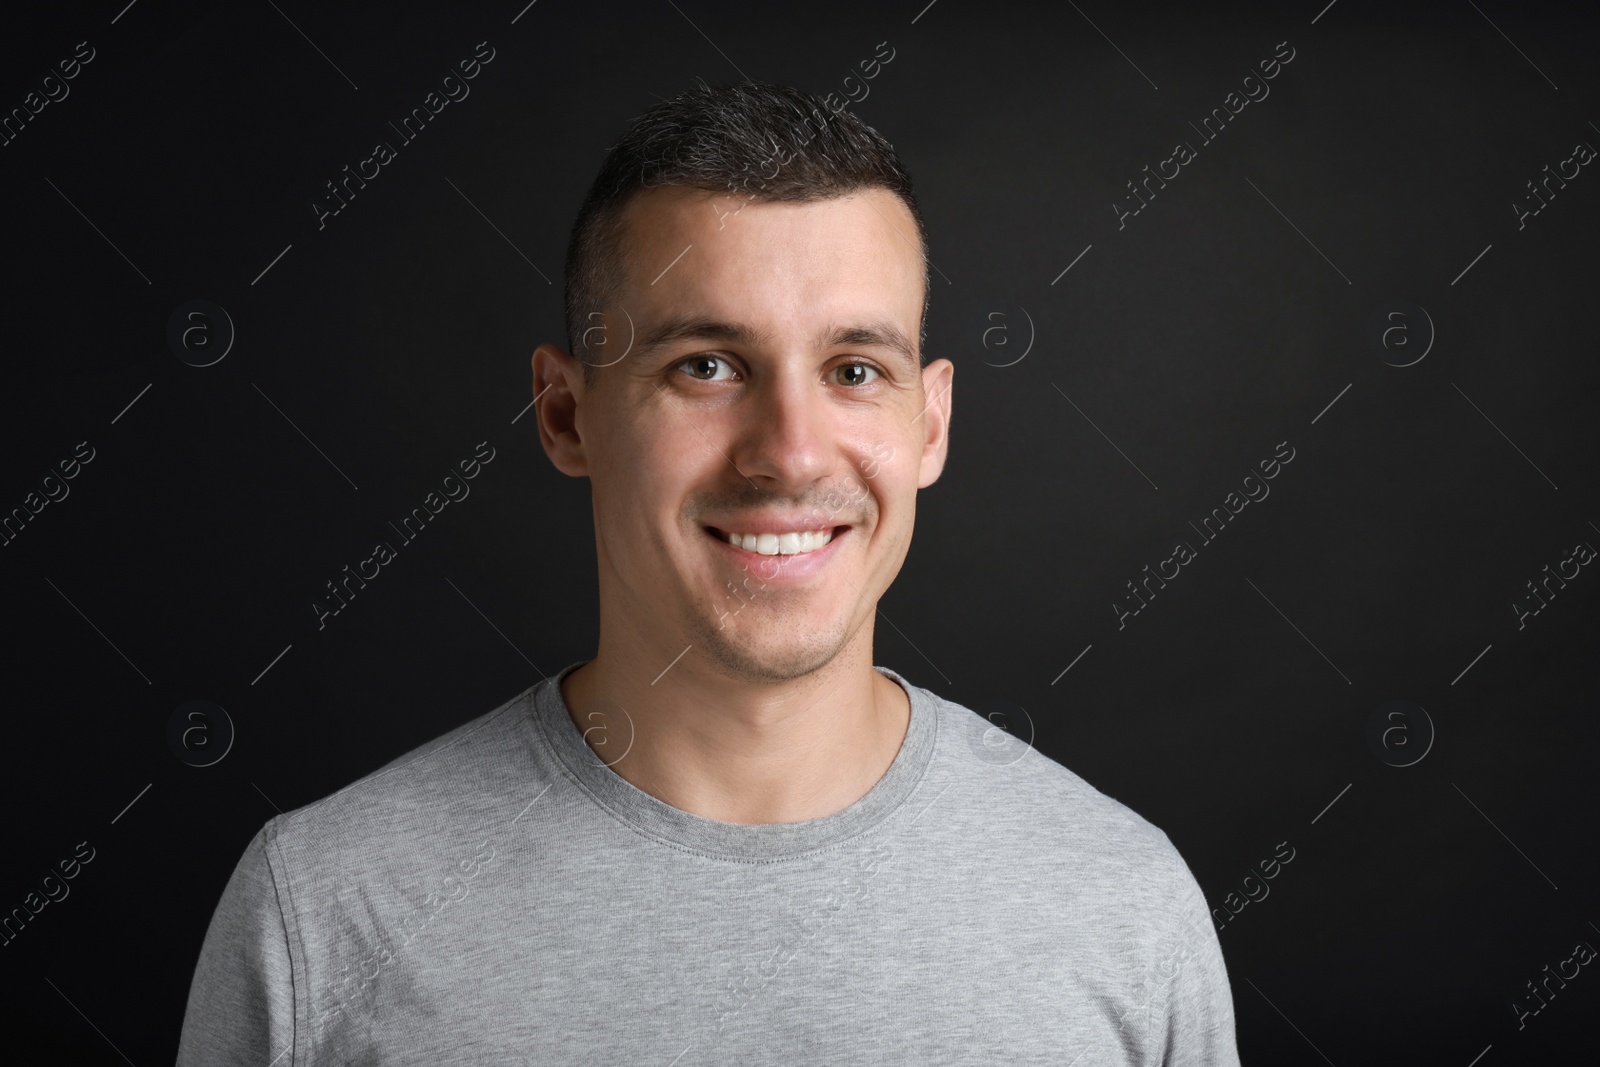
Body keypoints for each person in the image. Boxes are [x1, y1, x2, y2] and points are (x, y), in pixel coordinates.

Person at [177, 81, 1240, 1065]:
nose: (789, 449)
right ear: (566, 412)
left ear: (930, 420)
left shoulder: (1121, 903)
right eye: (706, 365)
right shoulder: (320, 910)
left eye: (854, 370)